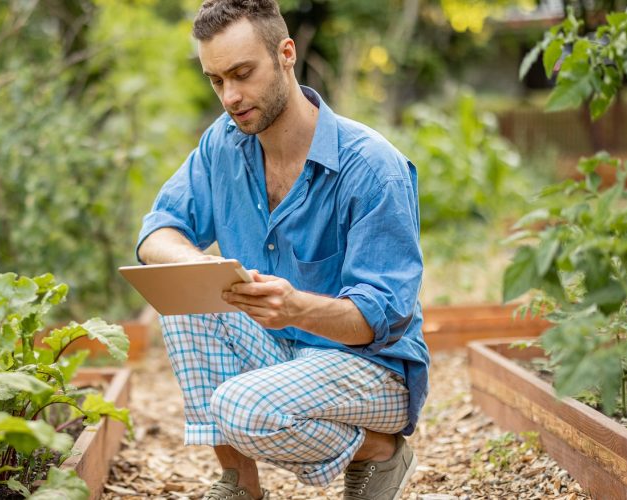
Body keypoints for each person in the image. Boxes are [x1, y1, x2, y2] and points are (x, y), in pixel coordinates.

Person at [134, 1, 430, 499]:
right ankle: (240, 485)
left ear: (286, 53)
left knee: (241, 407)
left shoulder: (372, 166)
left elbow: (379, 318)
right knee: (184, 294)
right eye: (216, 80)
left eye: (242, 74)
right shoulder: (223, 145)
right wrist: (200, 267)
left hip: (372, 367)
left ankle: (379, 448)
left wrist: (293, 307)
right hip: (283, 353)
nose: (230, 96)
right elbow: (156, 233)